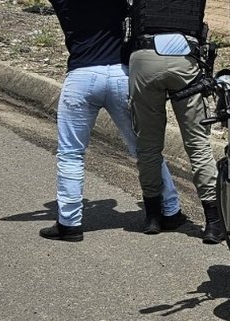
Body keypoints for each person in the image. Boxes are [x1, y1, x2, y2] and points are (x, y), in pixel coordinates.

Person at [40, 0, 184, 243]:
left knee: (71, 153)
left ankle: (69, 222)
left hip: (81, 75)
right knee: (144, 148)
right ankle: (170, 208)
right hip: (120, 73)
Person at [125, 0, 225, 243]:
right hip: (185, 57)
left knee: (148, 145)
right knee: (198, 144)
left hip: (145, 57)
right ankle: (213, 222)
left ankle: (152, 217)